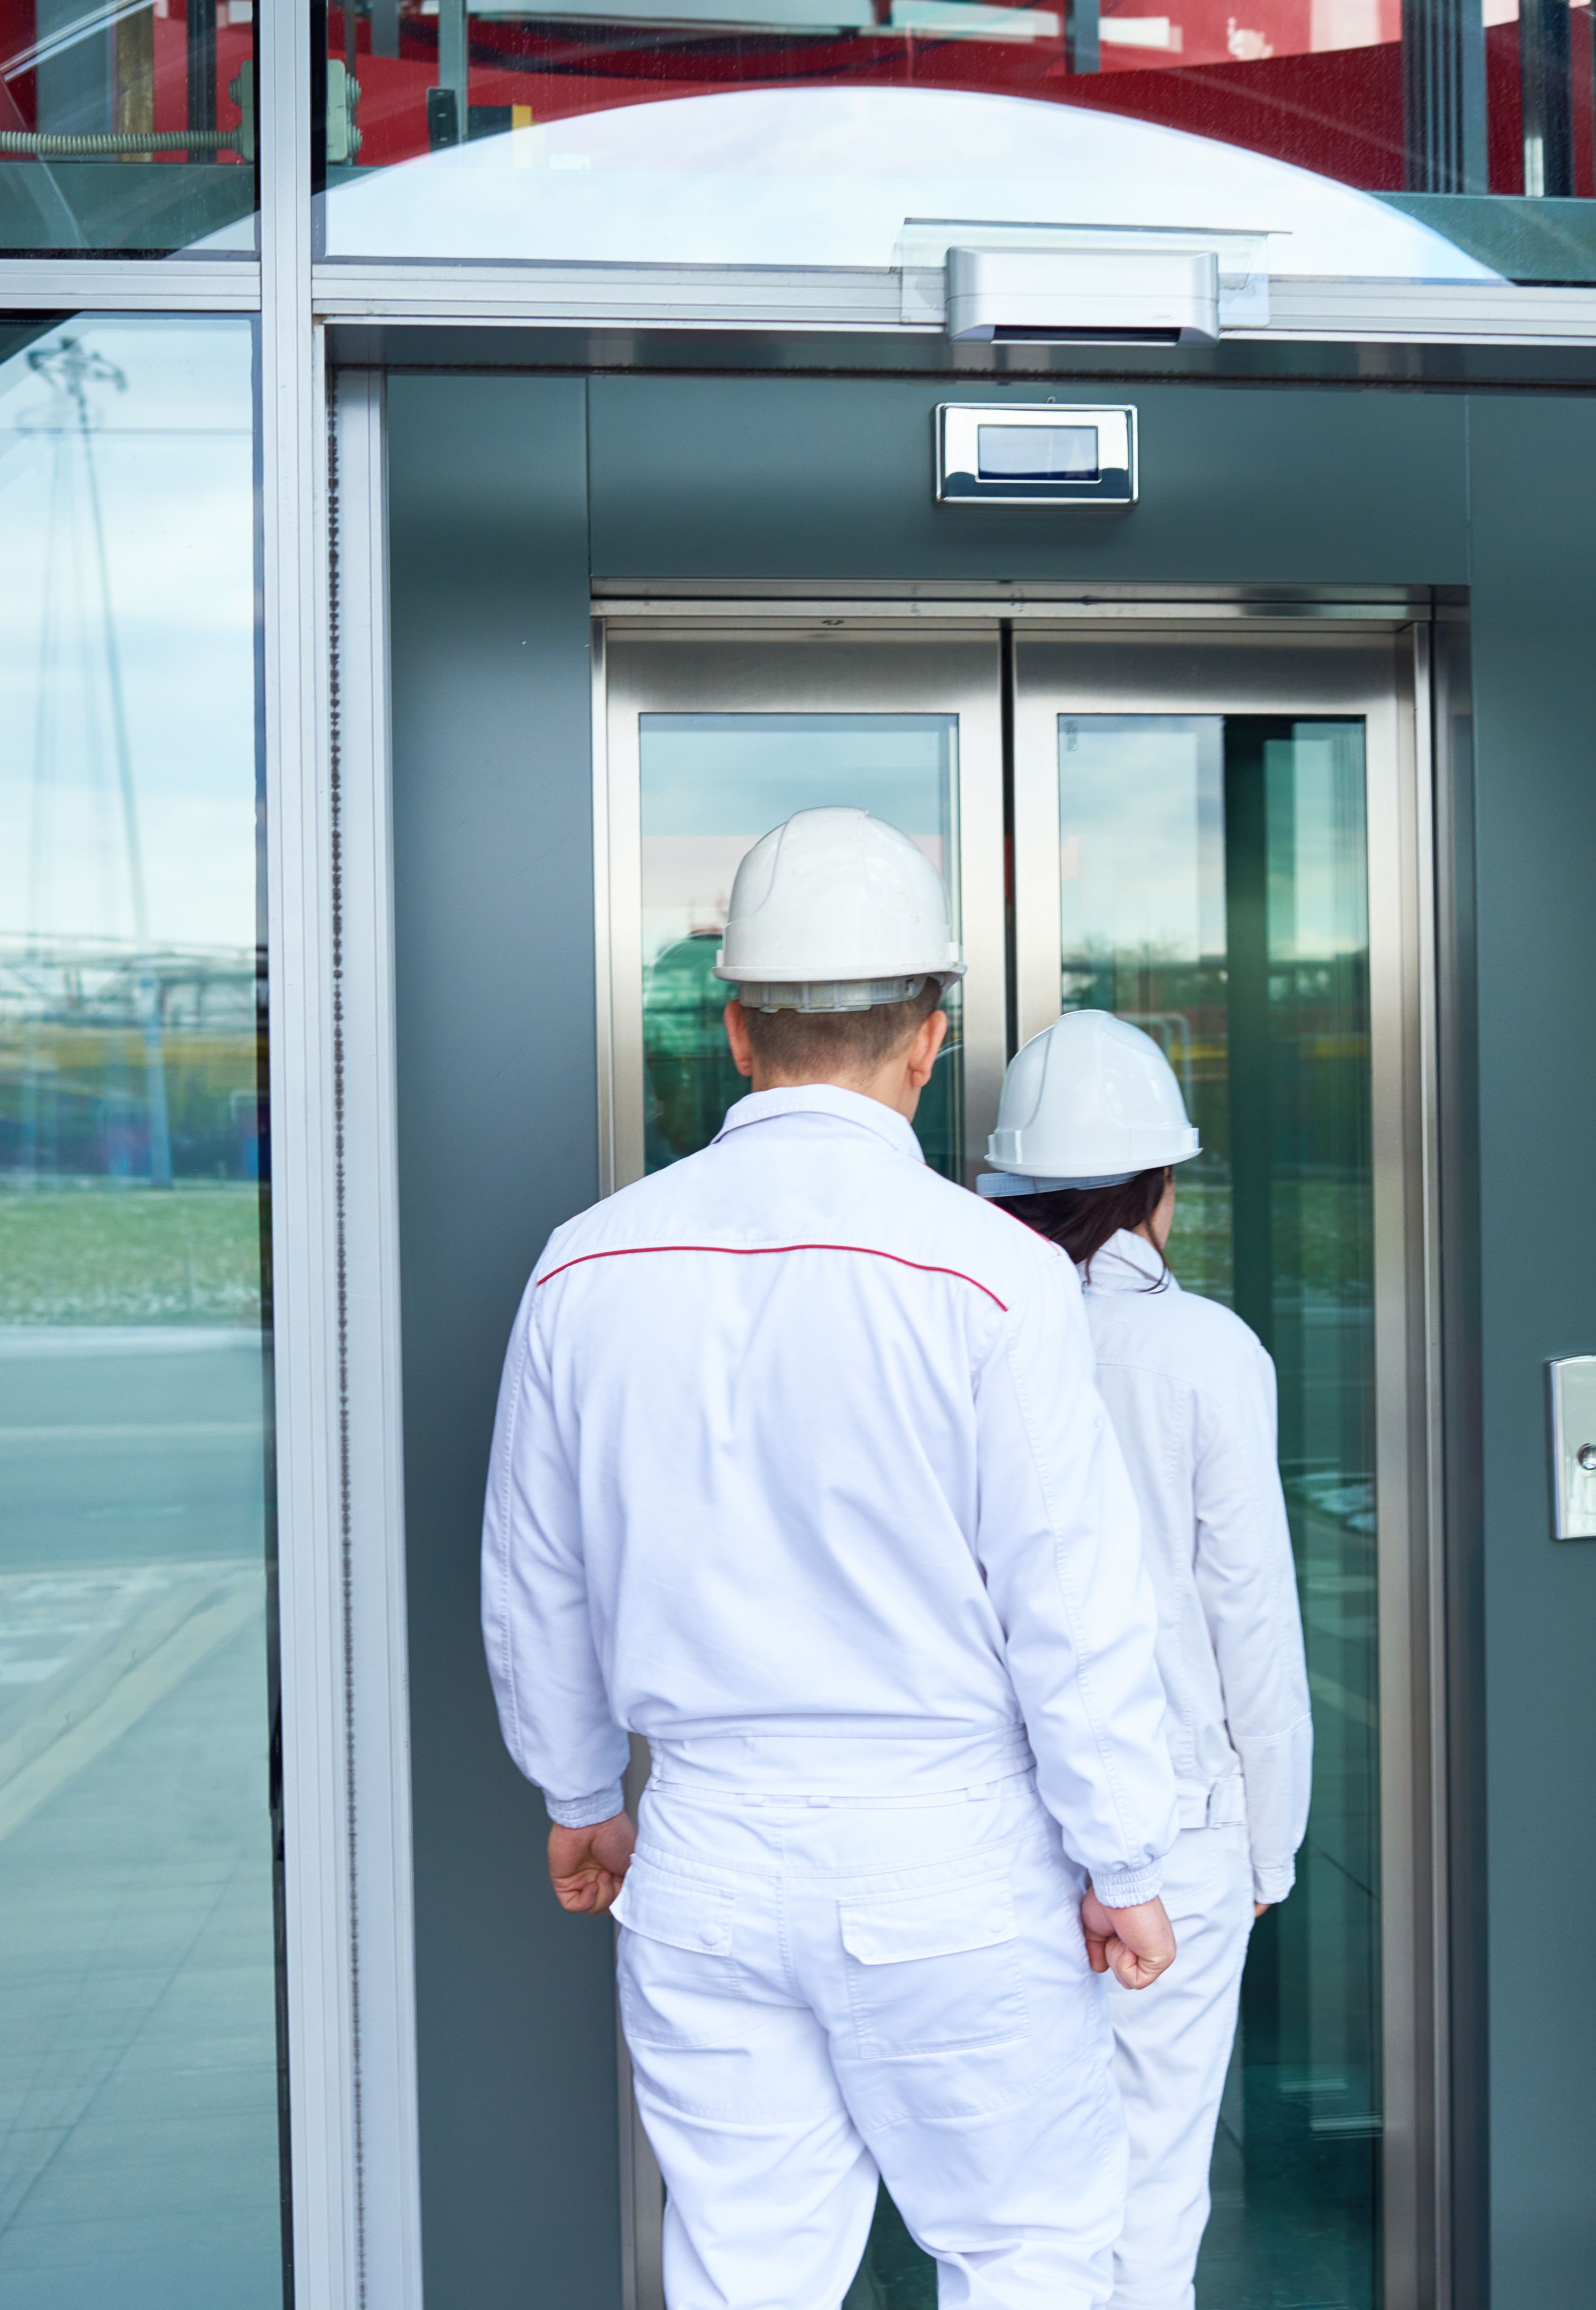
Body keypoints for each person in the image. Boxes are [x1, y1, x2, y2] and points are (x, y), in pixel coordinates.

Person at [479, 806, 1183, 2310]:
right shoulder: (995, 1279)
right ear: (929, 1043)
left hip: (706, 1860)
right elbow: (1072, 1603)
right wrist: (1124, 1858)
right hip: (953, 1861)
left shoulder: (584, 1264)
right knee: (1032, 2262)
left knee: (747, 2277)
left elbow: (535, 1580)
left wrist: (581, 1797)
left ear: (736, 1030)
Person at [976, 1010, 1314, 2310]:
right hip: (1177, 1828)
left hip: (997, 1824)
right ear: (1159, 1192)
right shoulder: (1206, 1354)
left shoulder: (966, 1335)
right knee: (1154, 2197)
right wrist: (1270, 1844)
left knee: (1013, 2215)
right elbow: (1254, 1623)